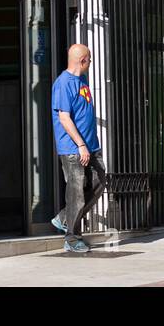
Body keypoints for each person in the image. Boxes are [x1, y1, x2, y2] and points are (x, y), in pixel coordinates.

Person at [51, 43, 108, 253]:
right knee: (76, 192)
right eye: (90, 59)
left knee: (99, 181)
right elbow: (64, 118)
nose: (91, 63)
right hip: (73, 147)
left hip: (90, 146)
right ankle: (72, 238)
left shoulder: (81, 80)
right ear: (83, 60)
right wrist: (80, 144)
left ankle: (65, 217)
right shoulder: (63, 83)